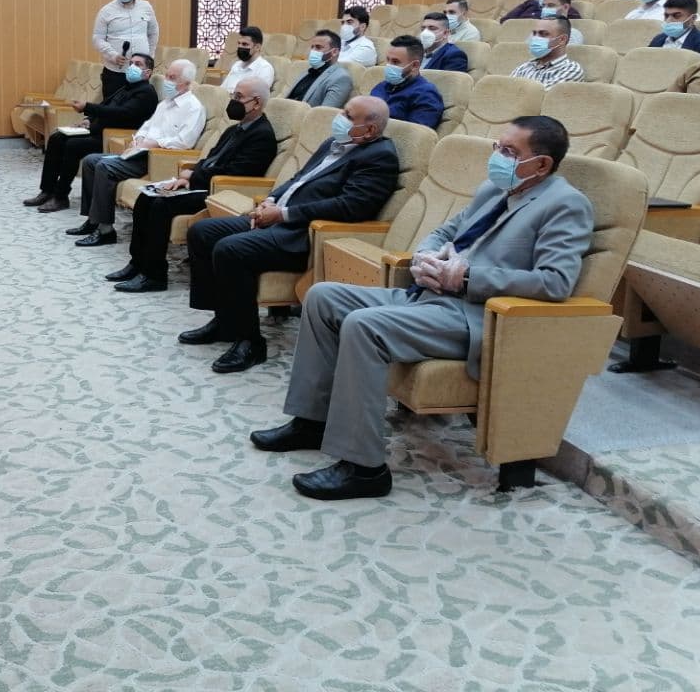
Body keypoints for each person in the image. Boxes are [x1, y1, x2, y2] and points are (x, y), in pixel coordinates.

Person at [250, 116, 592, 500]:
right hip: (430, 295)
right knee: (323, 296)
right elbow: (445, 232)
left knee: (363, 325)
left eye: (510, 152)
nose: (498, 156)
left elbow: (554, 282)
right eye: (498, 147)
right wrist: (426, 256)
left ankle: (364, 469)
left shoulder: (565, 204)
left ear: (542, 164)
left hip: (475, 316)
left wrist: (467, 277)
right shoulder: (495, 189)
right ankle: (312, 422)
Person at [179, 96, 398, 374]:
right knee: (202, 231)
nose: (339, 118)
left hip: (303, 233)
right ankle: (225, 321)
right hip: (278, 217)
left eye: (348, 115)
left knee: (230, 249)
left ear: (370, 130)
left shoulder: (379, 157)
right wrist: (270, 201)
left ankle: (250, 342)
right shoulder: (333, 143)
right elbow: (298, 180)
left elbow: (351, 206)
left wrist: (283, 214)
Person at [107, 78, 277, 293]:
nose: (233, 101)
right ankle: (137, 263)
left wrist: (193, 176)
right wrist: (189, 175)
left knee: (161, 205)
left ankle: (154, 275)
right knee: (146, 197)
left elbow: (236, 173)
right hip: (204, 182)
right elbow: (210, 159)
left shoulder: (262, 135)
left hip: (221, 192)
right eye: (233, 95)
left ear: (257, 103)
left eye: (239, 97)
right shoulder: (234, 129)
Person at [67, 58, 205, 247]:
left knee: (104, 166)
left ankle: (106, 231)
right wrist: (138, 139)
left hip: (157, 159)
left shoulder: (194, 108)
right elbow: (146, 126)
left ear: (187, 83)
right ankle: (93, 221)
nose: (167, 81)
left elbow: (184, 142)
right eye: (166, 76)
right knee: (91, 161)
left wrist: (154, 143)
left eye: (172, 78)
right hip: (139, 152)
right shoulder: (165, 103)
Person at [22, 53, 158, 213]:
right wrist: (89, 119)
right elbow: (106, 105)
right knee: (56, 137)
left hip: (114, 136)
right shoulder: (126, 87)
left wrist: (87, 107)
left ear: (148, 73)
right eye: (131, 63)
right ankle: (47, 190)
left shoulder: (146, 93)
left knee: (73, 145)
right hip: (98, 130)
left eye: (138, 64)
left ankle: (61, 196)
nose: (132, 67)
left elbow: (122, 113)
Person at [91, 0, 159, 100]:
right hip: (115, 73)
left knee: (137, 109)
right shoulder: (106, 11)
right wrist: (113, 55)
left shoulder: (146, 7)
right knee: (112, 110)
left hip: (139, 73)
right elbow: (97, 39)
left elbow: (153, 32)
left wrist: (149, 57)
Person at [370, 36, 444, 129]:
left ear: (414, 65)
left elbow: (415, 133)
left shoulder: (426, 95)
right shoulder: (382, 86)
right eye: (388, 60)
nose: (389, 66)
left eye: (395, 62)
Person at [511, 15, 584, 89]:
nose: (536, 38)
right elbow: (506, 91)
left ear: (562, 39)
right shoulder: (524, 67)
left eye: (543, 34)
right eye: (534, 33)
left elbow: (541, 94)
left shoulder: (571, 69)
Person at [286, 30, 352, 107]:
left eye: (318, 47)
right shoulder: (307, 72)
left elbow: (324, 112)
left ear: (334, 52)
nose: (313, 51)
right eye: (312, 47)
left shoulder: (341, 78)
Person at [220, 26, 275, 91]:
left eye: (245, 44)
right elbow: (222, 89)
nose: (240, 47)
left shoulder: (264, 68)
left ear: (257, 47)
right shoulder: (236, 65)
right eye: (239, 43)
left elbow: (256, 95)